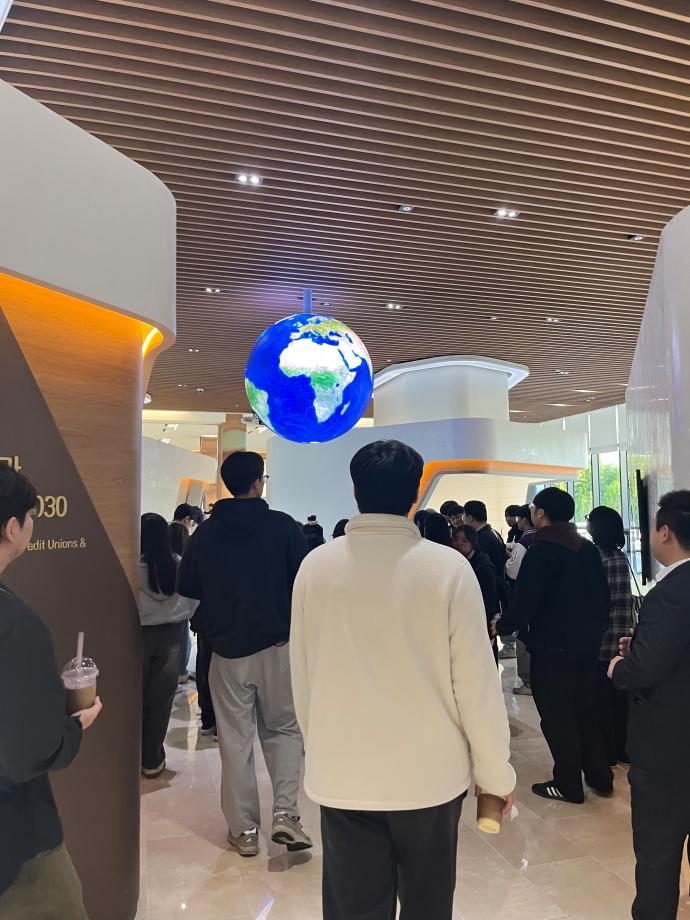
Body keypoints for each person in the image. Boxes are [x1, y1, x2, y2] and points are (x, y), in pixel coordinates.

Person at [290, 440, 515, 920]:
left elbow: (303, 677)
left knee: (352, 908)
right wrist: (495, 773)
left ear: (355, 490)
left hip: (344, 773)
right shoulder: (449, 569)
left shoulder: (316, 567)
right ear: (415, 494)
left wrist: (322, 748)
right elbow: (476, 686)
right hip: (430, 777)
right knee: (428, 905)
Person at [178, 451, 312, 857]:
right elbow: (302, 582)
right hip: (278, 647)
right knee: (284, 730)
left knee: (235, 740)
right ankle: (286, 814)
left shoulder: (205, 534)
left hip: (227, 652)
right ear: (258, 483)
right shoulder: (283, 527)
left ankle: (245, 830)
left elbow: (188, 589)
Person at [0, 464, 102, 918]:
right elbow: (28, 754)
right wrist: (75, 725)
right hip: (14, 841)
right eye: (30, 518)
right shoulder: (17, 625)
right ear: (12, 527)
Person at [497, 487, 612, 804]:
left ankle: (567, 783)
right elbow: (603, 598)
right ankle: (600, 776)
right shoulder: (586, 548)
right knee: (585, 710)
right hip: (587, 645)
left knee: (557, 716)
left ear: (541, 513)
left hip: (552, 648)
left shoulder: (541, 550)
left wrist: (502, 625)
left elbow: (526, 603)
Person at [608, 490, 690, 920]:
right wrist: (641, 646)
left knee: (658, 854)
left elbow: (644, 670)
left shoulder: (671, 591)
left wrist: (621, 666)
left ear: (665, 532)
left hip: (668, 752)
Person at [139, 513, 196, 778]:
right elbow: (193, 600)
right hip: (171, 636)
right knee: (161, 701)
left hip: (137, 635)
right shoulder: (179, 565)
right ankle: (152, 759)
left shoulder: (131, 568)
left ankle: (131, 754)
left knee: (136, 698)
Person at [587, 506, 632, 767]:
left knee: (599, 701)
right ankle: (622, 750)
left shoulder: (595, 558)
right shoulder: (621, 557)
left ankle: (606, 752)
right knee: (619, 701)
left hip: (600, 639)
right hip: (622, 637)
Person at [452, 525, 498, 662]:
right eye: (456, 539)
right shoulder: (460, 561)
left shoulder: (483, 567)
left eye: (464, 540)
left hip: (482, 625)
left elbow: (488, 603)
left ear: (473, 543)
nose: (459, 543)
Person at [505, 504, 538, 694]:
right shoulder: (545, 537)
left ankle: (528, 683)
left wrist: (509, 559)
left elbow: (513, 570)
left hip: (526, 595)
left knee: (524, 639)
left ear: (525, 520)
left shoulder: (525, 541)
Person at [170, 521, 193, 684]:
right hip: (181, 612)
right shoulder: (184, 563)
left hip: (160, 616)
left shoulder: (159, 562)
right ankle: (181, 672)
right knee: (184, 641)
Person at [462, 501, 506, 578]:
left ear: (470, 518)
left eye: (464, 515)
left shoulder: (480, 539)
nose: (463, 519)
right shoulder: (494, 532)